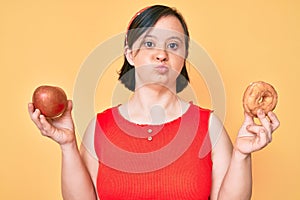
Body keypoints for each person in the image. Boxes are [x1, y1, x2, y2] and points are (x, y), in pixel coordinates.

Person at [28, 5, 280, 200]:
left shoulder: (209, 126)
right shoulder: (101, 127)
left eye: (173, 45)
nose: (162, 54)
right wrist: (68, 146)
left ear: (183, 57)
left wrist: (242, 155)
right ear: (129, 52)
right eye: (149, 43)